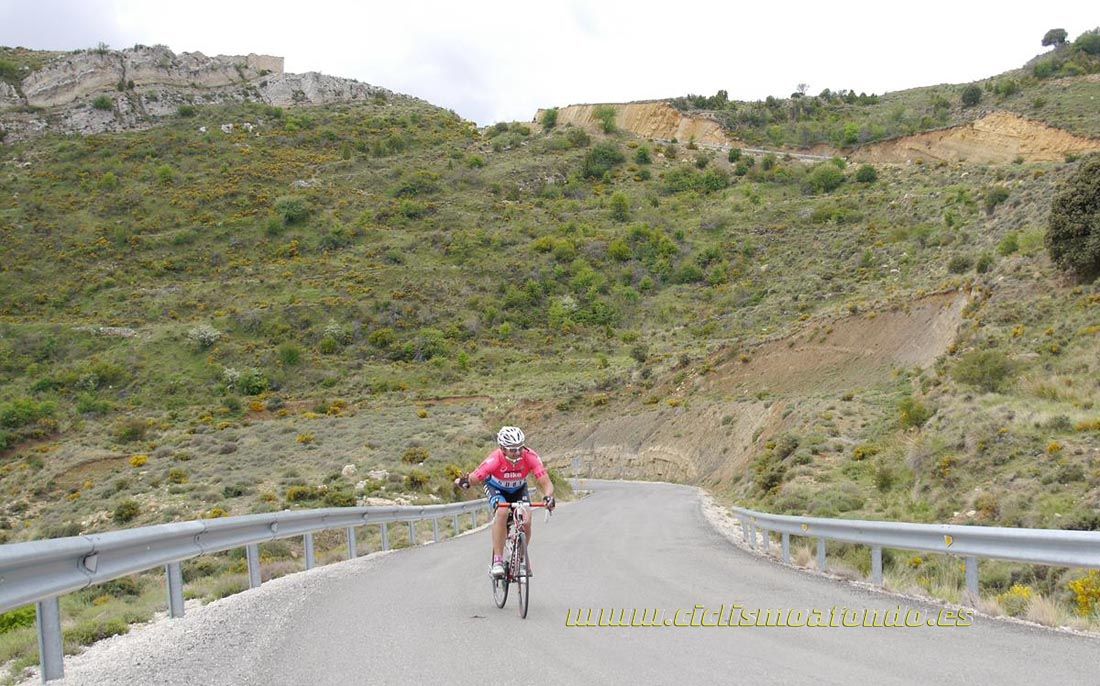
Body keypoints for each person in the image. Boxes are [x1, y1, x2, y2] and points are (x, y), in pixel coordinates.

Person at [454, 426, 555, 577]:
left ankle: (521, 559)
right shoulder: (494, 460)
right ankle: (498, 561)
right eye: (512, 450)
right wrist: (465, 481)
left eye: (520, 448)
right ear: (502, 448)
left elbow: (546, 482)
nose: (517, 453)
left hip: (519, 489)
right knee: (502, 511)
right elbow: (476, 477)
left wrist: (548, 496)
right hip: (496, 489)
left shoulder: (530, 456)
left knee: (526, 519)